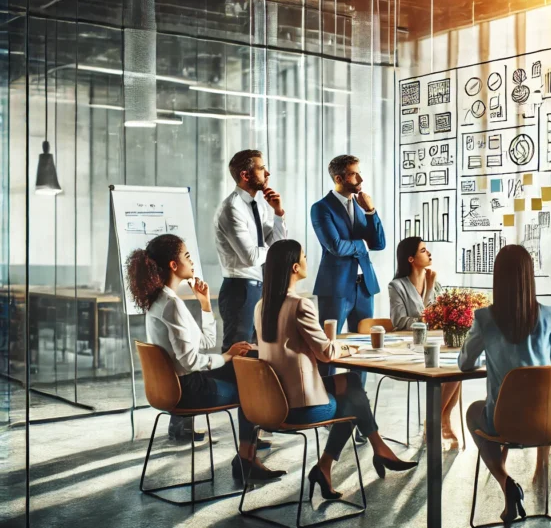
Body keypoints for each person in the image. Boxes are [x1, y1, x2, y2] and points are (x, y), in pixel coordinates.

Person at [255, 240, 416, 500]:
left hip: (271, 400)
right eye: (305, 256)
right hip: (298, 407)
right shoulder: (299, 305)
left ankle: (344, 462)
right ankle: (349, 458)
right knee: (353, 403)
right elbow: (327, 353)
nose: (309, 260)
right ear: (296, 267)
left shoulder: (261, 306)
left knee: (352, 383)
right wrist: (349, 349)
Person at [127, 234, 283, 481]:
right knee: (251, 384)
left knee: (244, 367)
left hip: (177, 384)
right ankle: (247, 458)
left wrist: (205, 305)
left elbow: (206, 342)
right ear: (173, 265)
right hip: (188, 389)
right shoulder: (172, 305)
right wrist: (228, 356)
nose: (192, 262)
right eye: (187, 256)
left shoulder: (161, 300)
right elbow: (190, 361)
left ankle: (248, 456)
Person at [458, 245, 551, 524]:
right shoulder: (550, 315)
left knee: (474, 412)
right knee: (484, 410)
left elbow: (464, 364)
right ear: (530, 277)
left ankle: (505, 481)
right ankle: (517, 479)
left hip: (504, 423)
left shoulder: (485, 318)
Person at [311, 154, 385, 443]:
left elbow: (378, 244)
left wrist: (371, 212)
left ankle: (358, 415)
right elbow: (335, 246)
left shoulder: (359, 204)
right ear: (339, 178)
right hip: (335, 287)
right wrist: (360, 245)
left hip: (363, 286)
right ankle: (328, 410)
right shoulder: (321, 209)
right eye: (355, 175)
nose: (361, 179)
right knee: (328, 351)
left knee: (362, 352)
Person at [388, 237, 462, 448]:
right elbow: (400, 322)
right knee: (453, 369)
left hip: (436, 345)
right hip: (409, 350)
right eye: (423, 250)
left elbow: (442, 316)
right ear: (411, 259)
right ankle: (437, 421)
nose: (428, 253)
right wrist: (429, 291)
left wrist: (432, 293)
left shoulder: (436, 283)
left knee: (458, 367)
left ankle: (439, 419)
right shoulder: (397, 286)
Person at [213, 149, 287, 353]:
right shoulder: (232, 208)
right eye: (262, 168)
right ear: (245, 175)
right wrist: (274, 251)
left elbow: (276, 244)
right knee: (239, 351)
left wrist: (278, 213)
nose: (268, 173)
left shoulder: (259, 206)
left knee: (259, 351)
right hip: (240, 290)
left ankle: (250, 387)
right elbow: (251, 257)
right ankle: (231, 386)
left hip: (259, 287)